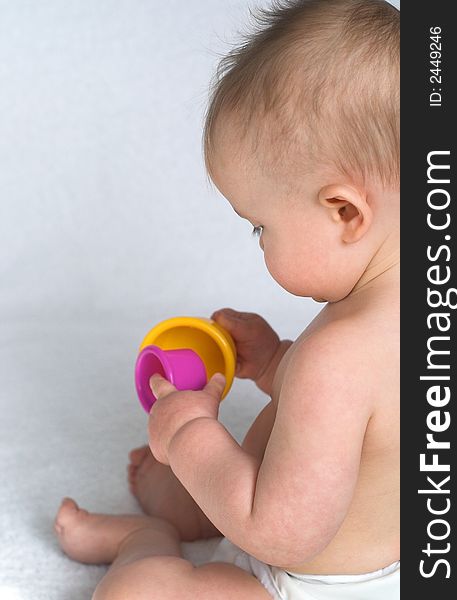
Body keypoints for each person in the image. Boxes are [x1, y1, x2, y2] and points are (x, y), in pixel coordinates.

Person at [54, 0, 400, 597]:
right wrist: (273, 364)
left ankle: (141, 543)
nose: (258, 243)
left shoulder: (336, 360)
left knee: (140, 591)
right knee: (192, 478)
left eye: (261, 226)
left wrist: (188, 435)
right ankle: (175, 508)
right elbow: (366, 427)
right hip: (388, 558)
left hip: (303, 580)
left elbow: (281, 533)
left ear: (344, 212)